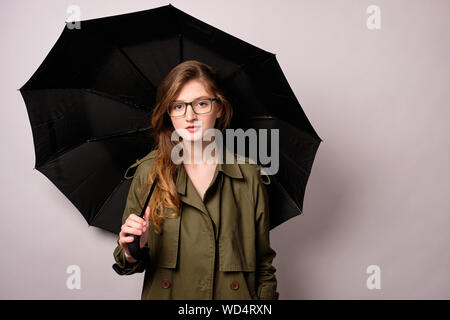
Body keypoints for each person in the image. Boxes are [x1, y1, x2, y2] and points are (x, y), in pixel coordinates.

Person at [112, 60, 279, 300]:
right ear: (169, 113)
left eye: (201, 103)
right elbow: (127, 262)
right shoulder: (149, 172)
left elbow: (263, 264)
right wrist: (131, 251)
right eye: (178, 106)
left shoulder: (249, 175)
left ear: (219, 108)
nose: (190, 116)